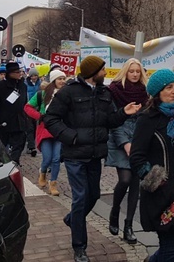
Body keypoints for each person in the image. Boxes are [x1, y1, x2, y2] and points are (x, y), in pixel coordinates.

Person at [44, 56, 139, 262]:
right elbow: (50, 118)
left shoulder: (105, 93)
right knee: (79, 198)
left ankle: (72, 219)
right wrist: (71, 137)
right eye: (102, 69)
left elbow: (110, 121)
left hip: (95, 155)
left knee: (94, 195)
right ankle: (80, 247)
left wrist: (124, 112)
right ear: (93, 72)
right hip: (75, 155)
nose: (105, 73)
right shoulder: (69, 91)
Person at [129, 69, 174, 262]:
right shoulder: (147, 118)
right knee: (169, 251)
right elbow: (136, 157)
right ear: (158, 92)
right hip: (163, 194)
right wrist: (155, 180)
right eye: (169, 87)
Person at [105, 58, 148, 244]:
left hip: (139, 140)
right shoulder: (115, 90)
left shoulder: (145, 93)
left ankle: (129, 225)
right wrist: (125, 144)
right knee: (125, 179)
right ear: (126, 71)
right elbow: (114, 121)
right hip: (120, 139)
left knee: (136, 184)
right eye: (132, 71)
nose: (135, 74)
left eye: (138, 71)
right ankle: (115, 211)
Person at [24, 69, 67, 196]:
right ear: (53, 80)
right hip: (45, 130)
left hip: (60, 130)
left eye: (64, 79)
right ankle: (42, 173)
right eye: (60, 79)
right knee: (47, 158)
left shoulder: (66, 94)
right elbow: (27, 107)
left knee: (56, 158)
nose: (62, 81)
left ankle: (53, 183)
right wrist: (39, 116)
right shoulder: (42, 95)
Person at [0, 62, 28, 165]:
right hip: (4, 122)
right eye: (17, 72)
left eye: (20, 72)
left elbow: (24, 103)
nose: (20, 74)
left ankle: (14, 163)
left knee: (19, 144)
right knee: (0, 146)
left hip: (19, 121)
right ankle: (1, 164)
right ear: (9, 73)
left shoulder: (22, 86)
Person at [24, 67, 42, 157]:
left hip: (38, 108)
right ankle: (31, 147)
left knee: (35, 128)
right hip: (29, 107)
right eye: (32, 75)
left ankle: (33, 144)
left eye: (35, 75)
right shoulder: (25, 84)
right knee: (30, 128)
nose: (34, 77)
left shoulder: (41, 83)